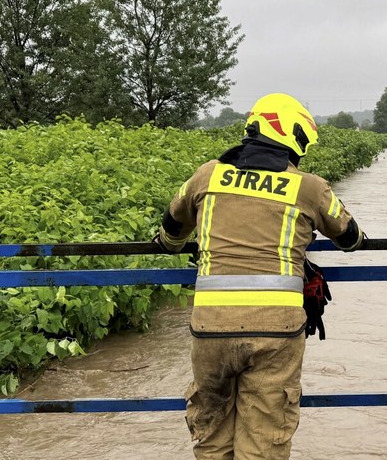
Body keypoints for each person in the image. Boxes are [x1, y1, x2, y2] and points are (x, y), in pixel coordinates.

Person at [153, 93, 366, 460]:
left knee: (212, 438)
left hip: (210, 330)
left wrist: (173, 242)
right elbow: (350, 238)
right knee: (265, 443)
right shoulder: (309, 187)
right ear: (293, 138)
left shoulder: (208, 174)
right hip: (276, 332)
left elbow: (172, 231)